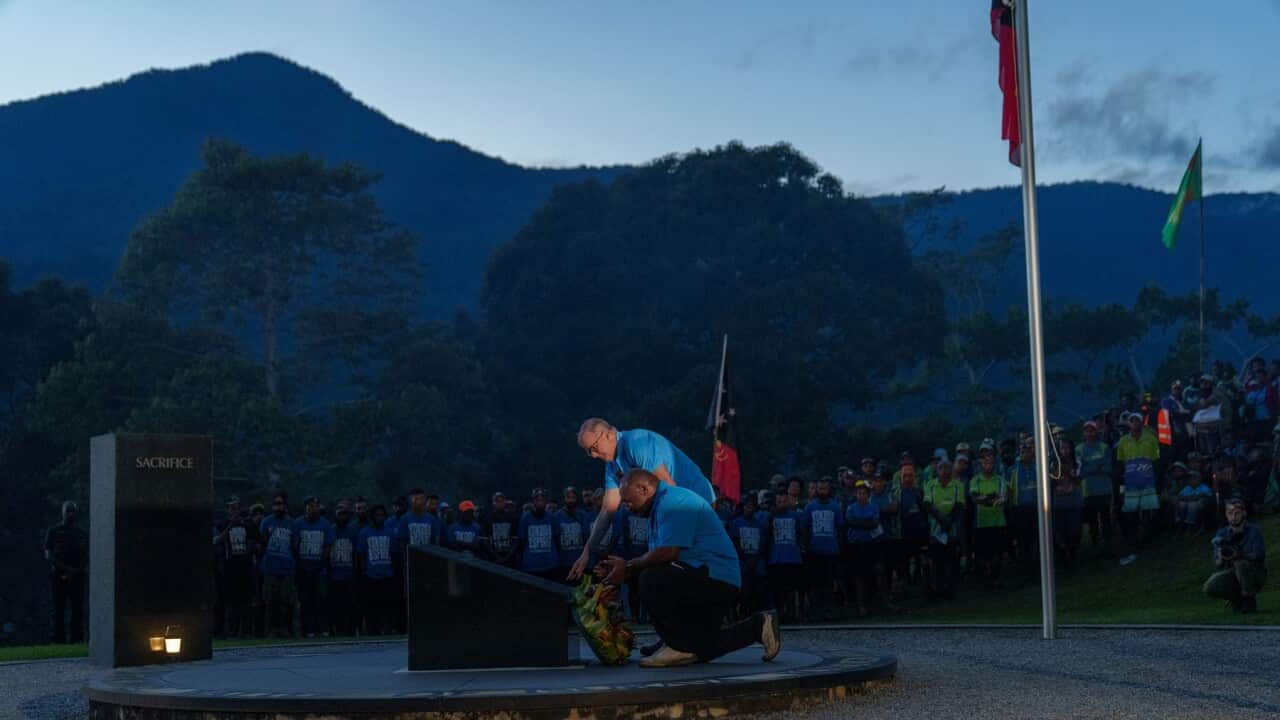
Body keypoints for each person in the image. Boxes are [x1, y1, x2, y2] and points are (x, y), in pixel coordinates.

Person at [594, 469, 780, 668]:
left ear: (644, 488)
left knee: (651, 579)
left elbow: (668, 553)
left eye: (628, 501)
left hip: (716, 580)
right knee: (700, 647)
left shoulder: (674, 501)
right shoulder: (657, 509)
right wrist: (619, 571)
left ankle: (677, 645)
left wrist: (628, 567)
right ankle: (758, 626)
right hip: (701, 579)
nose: (626, 507)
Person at [571, 418, 716, 581]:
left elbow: (670, 490)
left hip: (697, 501)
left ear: (609, 434)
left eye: (594, 448)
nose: (593, 455)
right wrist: (586, 553)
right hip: (679, 511)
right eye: (588, 452)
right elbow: (607, 511)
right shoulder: (612, 466)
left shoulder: (636, 444)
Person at [1203, 499, 1266, 613]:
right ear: (1226, 515)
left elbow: (1260, 555)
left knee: (1240, 563)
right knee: (1210, 586)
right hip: (1231, 572)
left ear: (1244, 513)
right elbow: (1217, 564)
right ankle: (1235, 599)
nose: (1233, 516)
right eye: (1230, 513)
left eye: (1237, 513)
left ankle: (1249, 600)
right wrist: (1221, 555)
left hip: (1254, 573)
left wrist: (1240, 554)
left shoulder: (1254, 531)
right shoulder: (1221, 534)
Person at [1117, 411, 1161, 563]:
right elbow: (1121, 463)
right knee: (1131, 515)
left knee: (1149, 513)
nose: (1135, 423)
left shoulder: (1150, 439)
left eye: (1137, 421)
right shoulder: (1122, 441)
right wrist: (1123, 486)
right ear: (1128, 423)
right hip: (1131, 483)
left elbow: (1156, 459)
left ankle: (1150, 543)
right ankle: (1134, 545)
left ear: (1142, 423)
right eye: (1132, 421)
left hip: (1148, 481)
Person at [214, 496, 259, 638]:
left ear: (240, 509)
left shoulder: (248, 524)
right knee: (232, 601)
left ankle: (245, 630)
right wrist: (229, 527)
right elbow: (216, 540)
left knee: (245, 600)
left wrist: (250, 551)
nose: (233, 510)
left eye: (236, 507)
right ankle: (232, 630)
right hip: (230, 568)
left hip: (245, 567)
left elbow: (256, 542)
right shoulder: (223, 524)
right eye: (231, 507)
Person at [45, 500, 88, 644]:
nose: (71, 514)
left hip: (77, 576)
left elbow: (86, 554)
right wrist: (65, 569)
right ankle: (58, 640)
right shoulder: (54, 531)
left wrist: (76, 570)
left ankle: (77, 639)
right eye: (68, 511)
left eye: (73, 511)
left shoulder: (81, 533)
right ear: (62, 513)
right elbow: (48, 553)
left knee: (77, 609)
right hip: (58, 576)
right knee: (58, 609)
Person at [801, 476, 843, 618]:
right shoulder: (809, 507)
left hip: (831, 551)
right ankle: (815, 611)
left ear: (829, 489)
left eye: (825, 488)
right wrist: (806, 548)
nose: (822, 491)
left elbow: (840, 528)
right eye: (820, 488)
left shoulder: (835, 506)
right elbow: (805, 529)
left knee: (830, 582)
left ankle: (829, 610)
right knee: (815, 582)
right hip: (814, 551)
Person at [923, 461, 964, 600]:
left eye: (947, 467)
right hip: (936, 530)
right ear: (937, 470)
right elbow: (928, 504)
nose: (944, 470)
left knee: (952, 560)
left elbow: (959, 504)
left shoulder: (958, 484)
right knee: (936, 561)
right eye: (941, 468)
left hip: (952, 529)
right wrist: (941, 519)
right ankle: (937, 590)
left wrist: (949, 521)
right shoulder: (930, 484)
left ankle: (951, 590)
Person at [294, 496, 334, 638]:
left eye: (315, 506)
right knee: (306, 600)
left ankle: (323, 629)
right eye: (310, 506)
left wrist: (321, 563)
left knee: (321, 599)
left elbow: (328, 546)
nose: (312, 508)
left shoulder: (325, 524)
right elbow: (294, 545)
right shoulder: (298, 523)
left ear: (319, 507)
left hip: (320, 569)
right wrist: (299, 564)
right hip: (303, 569)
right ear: (305, 508)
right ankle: (308, 630)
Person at [259, 492, 297, 637]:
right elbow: (263, 542)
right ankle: (270, 631)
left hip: (287, 568)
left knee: (285, 601)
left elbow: (294, 545)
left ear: (285, 506)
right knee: (270, 602)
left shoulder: (292, 524)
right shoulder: (266, 522)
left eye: (280, 503)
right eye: (275, 504)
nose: (277, 506)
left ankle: (285, 630)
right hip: (270, 568)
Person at [356, 504, 398, 635]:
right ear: (372, 517)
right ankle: (372, 631)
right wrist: (364, 573)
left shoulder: (390, 533)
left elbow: (394, 554)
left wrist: (392, 572)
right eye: (377, 515)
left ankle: (388, 630)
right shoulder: (364, 533)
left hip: (387, 576)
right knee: (371, 608)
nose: (379, 517)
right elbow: (361, 554)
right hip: (370, 577)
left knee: (387, 607)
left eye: (382, 515)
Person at [969, 443, 1007, 588]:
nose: (988, 465)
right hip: (981, 523)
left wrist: (985, 498)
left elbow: (1003, 499)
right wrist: (991, 497)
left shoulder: (1000, 480)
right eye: (985, 462)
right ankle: (984, 580)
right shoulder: (975, 480)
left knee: (998, 552)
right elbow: (975, 498)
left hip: (998, 522)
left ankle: (996, 579)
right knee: (982, 553)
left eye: (991, 462)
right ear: (980, 464)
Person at [843, 481, 882, 617]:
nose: (862, 495)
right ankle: (861, 605)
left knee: (872, 574)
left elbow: (875, 523)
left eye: (864, 493)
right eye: (859, 493)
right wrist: (866, 523)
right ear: (856, 494)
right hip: (855, 546)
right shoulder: (851, 507)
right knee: (858, 576)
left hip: (871, 545)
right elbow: (849, 522)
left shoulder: (874, 507)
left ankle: (873, 604)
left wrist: (859, 523)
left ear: (868, 494)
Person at [766, 492, 806, 622]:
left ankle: (792, 613)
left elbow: (801, 533)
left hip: (793, 558)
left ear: (788, 502)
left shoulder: (796, 516)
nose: (781, 504)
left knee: (792, 588)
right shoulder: (771, 517)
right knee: (778, 590)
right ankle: (779, 614)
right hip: (776, 558)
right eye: (779, 502)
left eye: (784, 502)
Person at [1077, 421, 1114, 556]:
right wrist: (1097, 466)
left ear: (1097, 431)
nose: (1089, 433)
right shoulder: (1078, 449)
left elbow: (1108, 468)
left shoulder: (1104, 447)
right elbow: (1081, 471)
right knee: (1092, 521)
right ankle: (1095, 545)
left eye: (1092, 430)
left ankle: (1108, 545)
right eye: (1087, 431)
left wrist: (1090, 466)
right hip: (1088, 491)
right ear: (1083, 433)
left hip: (1104, 489)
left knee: (1106, 519)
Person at [730, 493, 770, 616]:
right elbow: (735, 541)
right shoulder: (737, 523)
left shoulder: (760, 524)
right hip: (743, 563)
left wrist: (755, 559)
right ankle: (742, 614)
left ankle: (754, 614)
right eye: (747, 507)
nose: (749, 509)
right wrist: (744, 558)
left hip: (757, 563)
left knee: (757, 590)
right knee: (743, 591)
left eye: (751, 507)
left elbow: (763, 544)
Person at [327, 499, 360, 636]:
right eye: (340, 514)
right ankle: (336, 631)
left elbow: (356, 554)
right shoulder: (330, 530)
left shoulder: (353, 531)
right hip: (334, 575)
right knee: (335, 606)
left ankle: (350, 631)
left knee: (349, 606)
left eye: (345, 514)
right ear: (336, 514)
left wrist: (356, 573)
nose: (343, 517)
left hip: (349, 575)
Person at [517, 488, 561, 582]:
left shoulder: (552, 518)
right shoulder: (525, 518)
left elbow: (557, 538)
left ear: (546, 501)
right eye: (537, 500)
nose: (540, 503)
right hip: (531, 566)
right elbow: (521, 541)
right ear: (533, 501)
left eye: (542, 500)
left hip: (551, 564)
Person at [555, 487, 588, 581]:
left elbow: (586, 537)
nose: (571, 500)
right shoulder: (556, 516)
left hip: (579, 561)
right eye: (568, 497)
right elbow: (555, 539)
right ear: (564, 499)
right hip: (563, 562)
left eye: (573, 497)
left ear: (577, 499)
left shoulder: (582, 515)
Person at [399, 488, 444, 553]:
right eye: (416, 499)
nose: (419, 502)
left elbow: (435, 540)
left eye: (422, 499)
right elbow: (402, 542)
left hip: (428, 557)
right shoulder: (405, 519)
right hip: (411, 558)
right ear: (411, 500)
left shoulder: (431, 519)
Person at [484, 492, 519, 567]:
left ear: (505, 502)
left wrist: (507, 557)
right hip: (493, 559)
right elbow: (485, 541)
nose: (500, 503)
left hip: (510, 559)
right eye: (497, 501)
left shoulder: (512, 518)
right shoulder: (488, 519)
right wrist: (496, 556)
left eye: (502, 501)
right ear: (493, 503)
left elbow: (516, 540)